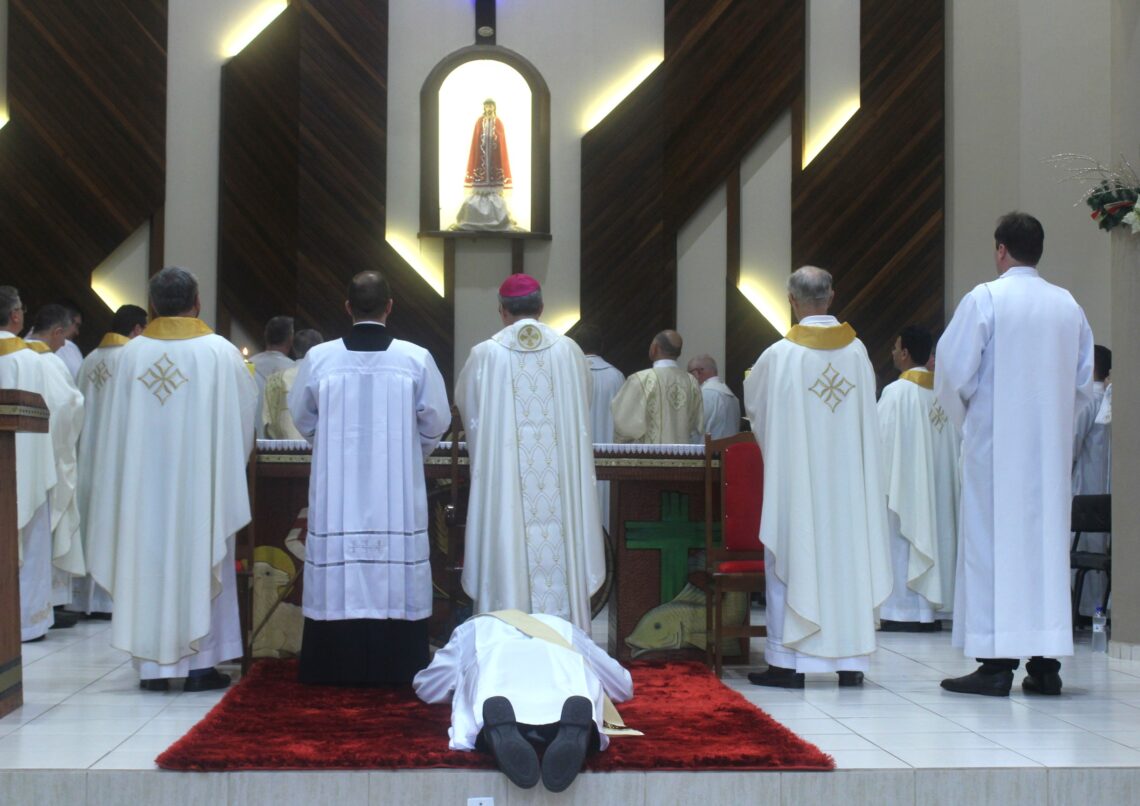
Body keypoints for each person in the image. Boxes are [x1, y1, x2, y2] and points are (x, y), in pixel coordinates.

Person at [936, 212, 1094, 697]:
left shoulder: (985, 299)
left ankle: (996, 664)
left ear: (1000, 249)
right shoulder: (1068, 306)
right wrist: (1053, 430)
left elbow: (951, 374)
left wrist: (975, 430)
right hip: (1048, 460)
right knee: (1044, 552)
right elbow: (1084, 384)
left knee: (993, 549)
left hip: (994, 454)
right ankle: (1045, 667)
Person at [88, 267, 257, 692]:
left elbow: (114, 431)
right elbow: (243, 419)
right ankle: (199, 666)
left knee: (146, 562)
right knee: (202, 555)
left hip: (142, 492)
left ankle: (153, 670)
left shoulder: (128, 355)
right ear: (196, 302)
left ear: (152, 306)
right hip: (202, 489)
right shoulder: (220, 353)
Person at [288, 272, 449, 685]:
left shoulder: (320, 359)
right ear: (390, 306)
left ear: (347, 307)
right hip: (395, 491)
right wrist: (412, 452)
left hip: (337, 489)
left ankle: (331, 667)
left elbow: (303, 418)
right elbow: (437, 421)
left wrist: (328, 445)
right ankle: (398, 666)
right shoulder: (414, 358)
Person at [743, 266, 891, 688]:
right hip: (849, 488)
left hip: (801, 487)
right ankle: (850, 664)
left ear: (792, 300)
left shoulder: (780, 354)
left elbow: (756, 403)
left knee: (796, 551)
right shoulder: (858, 352)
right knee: (849, 560)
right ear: (830, 297)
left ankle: (786, 665)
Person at [455, 274, 605, 633]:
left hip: (504, 486)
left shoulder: (485, 354)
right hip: (559, 489)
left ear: (502, 311)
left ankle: (506, 638)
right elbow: (582, 405)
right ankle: (564, 644)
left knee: (505, 536)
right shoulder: (569, 351)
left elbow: (469, 413)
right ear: (541, 308)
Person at [413, 611, 634, 792]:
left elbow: (428, 688)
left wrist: (454, 689)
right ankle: (576, 731)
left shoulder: (472, 629)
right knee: (577, 685)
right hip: (563, 692)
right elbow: (622, 687)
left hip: (497, 688)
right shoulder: (564, 628)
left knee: (482, 689)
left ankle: (495, 732)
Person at [877, 325, 959, 632]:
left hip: (906, 487)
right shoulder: (943, 393)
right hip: (939, 489)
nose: (894, 352)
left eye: (897, 347)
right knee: (937, 534)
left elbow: (878, 440)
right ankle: (933, 609)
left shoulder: (896, 393)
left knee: (901, 537)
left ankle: (903, 610)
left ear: (906, 353)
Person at [68, 303, 148, 617]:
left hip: (88, 455)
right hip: (120, 456)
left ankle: (84, 598)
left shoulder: (89, 360)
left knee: (89, 523)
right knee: (117, 521)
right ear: (138, 329)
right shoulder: (134, 358)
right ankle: (110, 599)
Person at [0, 287, 63, 642]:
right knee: (29, 534)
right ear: (16, 316)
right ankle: (26, 623)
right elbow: (59, 407)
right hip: (25, 466)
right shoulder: (31, 361)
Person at [25, 304, 86, 619]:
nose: (64, 345)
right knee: (37, 536)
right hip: (43, 462)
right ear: (57, 331)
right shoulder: (46, 363)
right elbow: (67, 405)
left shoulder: (14, 356)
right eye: (64, 337)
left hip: (17, 461)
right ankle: (35, 614)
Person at [572, 323, 625, 532]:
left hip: (577, 453)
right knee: (605, 504)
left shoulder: (569, 374)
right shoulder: (616, 376)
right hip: (608, 453)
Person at [611, 330, 703, 444]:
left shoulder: (640, 380)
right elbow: (696, 425)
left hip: (649, 458)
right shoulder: (691, 382)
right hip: (682, 457)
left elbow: (623, 426)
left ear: (654, 348)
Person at [454, 98, 517, 231]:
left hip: (494, 157)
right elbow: (475, 141)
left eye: (490, 106)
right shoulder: (479, 122)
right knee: (480, 178)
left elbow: (501, 141)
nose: (489, 108)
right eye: (486, 106)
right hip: (481, 158)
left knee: (495, 180)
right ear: (484, 107)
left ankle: (500, 215)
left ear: (494, 107)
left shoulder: (498, 122)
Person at [263, 328, 323, 440]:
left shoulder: (275, 380)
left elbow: (268, 421)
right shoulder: (327, 378)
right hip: (319, 448)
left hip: (284, 450)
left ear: (294, 349)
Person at [250, 315, 295, 437]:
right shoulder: (294, 372)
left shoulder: (247, 368)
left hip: (252, 440)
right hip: (283, 448)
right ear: (290, 339)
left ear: (266, 336)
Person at [686, 354, 741, 439]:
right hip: (729, 450)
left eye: (689, 373)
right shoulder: (732, 396)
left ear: (699, 372)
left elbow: (693, 430)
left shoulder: (704, 394)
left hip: (709, 451)